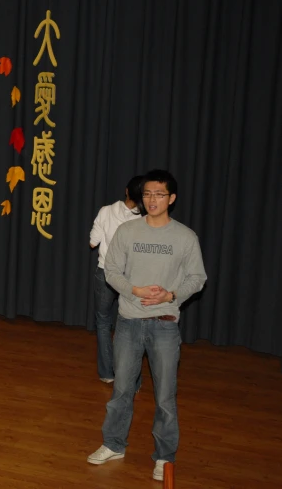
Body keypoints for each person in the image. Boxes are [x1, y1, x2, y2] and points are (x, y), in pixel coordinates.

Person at [87, 170, 207, 482]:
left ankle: (164, 457)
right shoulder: (127, 231)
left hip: (165, 325)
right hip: (128, 322)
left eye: (160, 194)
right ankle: (113, 444)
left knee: (165, 396)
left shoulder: (185, 237)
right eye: (148, 194)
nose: (153, 200)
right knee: (121, 390)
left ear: (172, 199)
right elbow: (111, 270)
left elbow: (198, 278)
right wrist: (134, 291)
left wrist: (172, 294)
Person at [89, 175, 145, 383]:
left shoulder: (105, 211)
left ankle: (106, 374)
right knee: (130, 325)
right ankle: (133, 380)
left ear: (126, 191)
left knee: (103, 322)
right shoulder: (144, 221)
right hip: (131, 277)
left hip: (105, 273)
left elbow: (93, 242)